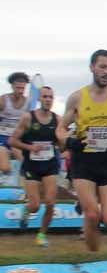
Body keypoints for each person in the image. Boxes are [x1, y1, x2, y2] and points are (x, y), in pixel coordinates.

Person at [56, 50, 107, 251]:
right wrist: (68, 141)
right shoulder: (77, 98)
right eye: (103, 67)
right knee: (92, 214)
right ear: (92, 67)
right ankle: (92, 255)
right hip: (83, 161)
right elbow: (60, 128)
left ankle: (98, 215)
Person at [8, 86, 59, 246]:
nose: (48, 100)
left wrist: (65, 145)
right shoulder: (28, 118)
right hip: (31, 166)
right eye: (44, 97)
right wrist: (31, 148)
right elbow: (12, 141)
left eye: (50, 97)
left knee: (51, 202)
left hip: (50, 166)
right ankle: (27, 209)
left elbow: (61, 141)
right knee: (35, 206)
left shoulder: (57, 119)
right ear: (39, 99)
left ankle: (41, 235)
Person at [0, 72, 31, 174]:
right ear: (12, 86)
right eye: (18, 88)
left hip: (16, 139)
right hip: (2, 137)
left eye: (23, 88)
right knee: (5, 168)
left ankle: (25, 183)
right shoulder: (3, 100)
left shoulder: (28, 102)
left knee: (26, 164)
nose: (20, 91)